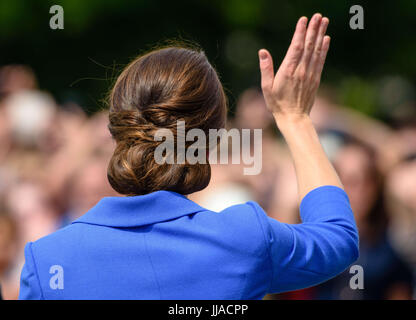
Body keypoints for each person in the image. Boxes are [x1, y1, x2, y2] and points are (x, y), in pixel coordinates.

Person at [19, 14, 359, 299]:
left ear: (115, 133)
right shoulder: (243, 239)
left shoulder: (47, 259)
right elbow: (338, 238)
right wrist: (295, 119)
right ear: (209, 141)